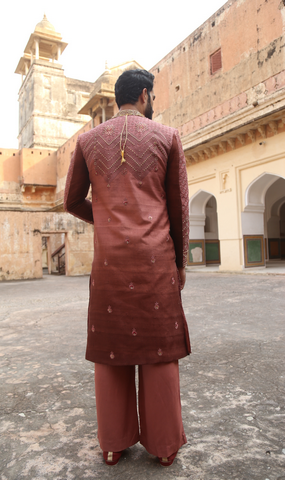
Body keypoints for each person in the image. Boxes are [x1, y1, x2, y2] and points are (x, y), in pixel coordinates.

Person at [64, 69, 191, 467]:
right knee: (158, 354)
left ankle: (113, 444)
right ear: (143, 95)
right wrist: (180, 262)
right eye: (152, 96)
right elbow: (179, 208)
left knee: (112, 352)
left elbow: (71, 200)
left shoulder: (87, 141)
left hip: (110, 265)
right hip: (156, 263)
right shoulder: (168, 137)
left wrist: (102, 217)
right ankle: (164, 445)